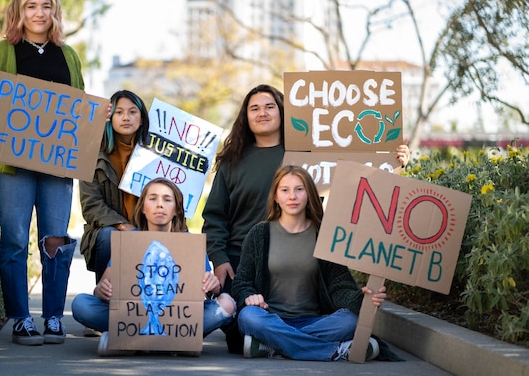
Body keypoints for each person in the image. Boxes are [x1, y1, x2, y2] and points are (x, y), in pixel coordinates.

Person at [201, 84, 410, 352]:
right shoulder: (232, 161)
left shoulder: (308, 157)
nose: (262, 113)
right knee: (239, 334)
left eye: (269, 106)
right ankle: (327, 350)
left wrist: (394, 164)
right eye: (254, 108)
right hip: (242, 258)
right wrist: (219, 259)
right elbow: (214, 216)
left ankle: (275, 344)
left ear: (282, 113)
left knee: (344, 321)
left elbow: (357, 179)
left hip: (303, 249)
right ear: (246, 116)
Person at [0, 0, 84, 346]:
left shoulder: (69, 55)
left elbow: (79, 109)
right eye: (31, 6)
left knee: (55, 241)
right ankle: (19, 317)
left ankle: (51, 317)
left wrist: (100, 115)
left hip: (57, 165)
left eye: (46, 6)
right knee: (15, 240)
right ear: (20, 11)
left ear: (54, 12)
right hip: (12, 166)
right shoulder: (0, 52)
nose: (39, 13)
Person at [232, 165, 386, 361]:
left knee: (351, 320)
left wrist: (362, 298)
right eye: (285, 190)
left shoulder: (324, 235)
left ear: (309, 194)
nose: (292, 196)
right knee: (248, 317)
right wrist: (248, 296)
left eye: (299, 189)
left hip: (316, 320)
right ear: (276, 197)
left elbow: (339, 285)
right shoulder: (259, 234)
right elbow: (241, 282)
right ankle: (336, 350)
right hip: (271, 318)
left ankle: (273, 345)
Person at [71, 178, 236, 352]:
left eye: (167, 199)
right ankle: (173, 343)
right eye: (152, 198)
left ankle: (131, 342)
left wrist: (214, 286)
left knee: (227, 303)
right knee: (81, 304)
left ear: (176, 210)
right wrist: (102, 290)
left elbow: (210, 291)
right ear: (142, 208)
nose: (159, 205)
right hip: (132, 318)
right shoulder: (129, 241)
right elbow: (99, 291)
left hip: (177, 320)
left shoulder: (189, 244)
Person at [79, 90, 149, 283]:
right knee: (110, 236)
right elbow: (91, 205)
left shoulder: (156, 155)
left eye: (133, 112)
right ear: (109, 117)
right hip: (110, 230)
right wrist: (123, 226)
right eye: (119, 112)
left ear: (142, 119)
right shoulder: (92, 155)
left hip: (148, 228)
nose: (126, 117)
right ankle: (106, 296)